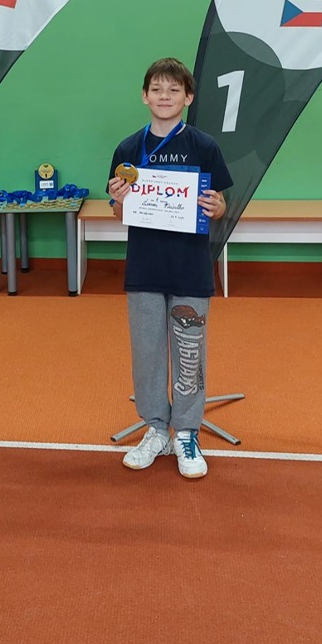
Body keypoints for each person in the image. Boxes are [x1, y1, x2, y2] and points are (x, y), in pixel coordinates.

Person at [107, 57, 233, 480]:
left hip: (190, 268)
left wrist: (216, 207)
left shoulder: (204, 146)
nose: (165, 96)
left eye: (174, 90)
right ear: (145, 96)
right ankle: (156, 428)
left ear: (188, 98)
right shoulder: (128, 149)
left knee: (189, 350)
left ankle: (187, 431)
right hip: (144, 267)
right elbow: (118, 213)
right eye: (157, 89)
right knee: (146, 352)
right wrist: (119, 200)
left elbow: (220, 204)